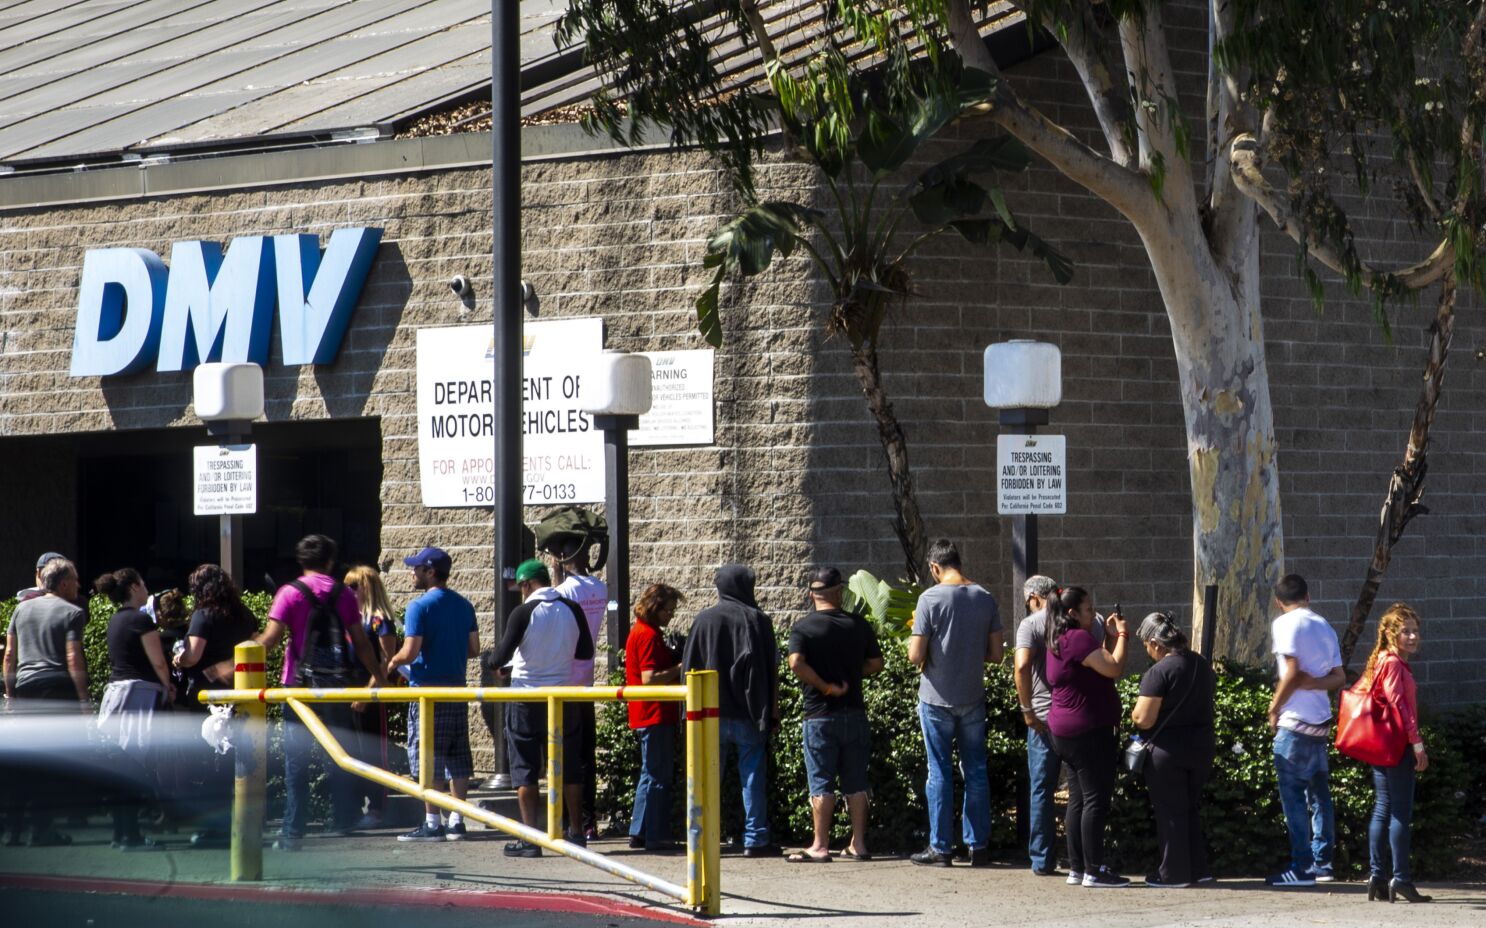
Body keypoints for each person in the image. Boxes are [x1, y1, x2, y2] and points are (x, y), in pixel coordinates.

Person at [257, 534, 386, 850]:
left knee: (295, 760)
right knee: (339, 755)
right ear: (330, 561)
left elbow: (270, 640)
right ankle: (344, 819)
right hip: (335, 685)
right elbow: (361, 640)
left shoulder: (289, 593)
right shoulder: (343, 594)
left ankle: (293, 830)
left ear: (302, 561)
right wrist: (378, 675)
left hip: (297, 686)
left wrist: (235, 662)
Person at [484, 558, 594, 858]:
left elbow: (498, 657)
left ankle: (531, 839)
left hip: (526, 700)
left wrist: (499, 664)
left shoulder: (523, 612)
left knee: (525, 768)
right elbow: (585, 652)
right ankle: (575, 833)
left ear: (526, 585)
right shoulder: (573, 608)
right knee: (570, 765)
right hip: (563, 697)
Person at [906, 539, 1003, 867]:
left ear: (935, 567)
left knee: (940, 771)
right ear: (958, 563)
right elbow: (997, 654)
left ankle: (941, 848)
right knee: (975, 770)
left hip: (935, 699)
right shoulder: (985, 598)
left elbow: (915, 655)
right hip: (972, 697)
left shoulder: (928, 599)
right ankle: (978, 846)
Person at [681, 564, 781, 858]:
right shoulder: (758, 620)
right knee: (752, 777)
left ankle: (701, 836)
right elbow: (769, 670)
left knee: (707, 779)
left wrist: (686, 712)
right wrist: (772, 710)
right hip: (748, 713)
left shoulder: (703, 620)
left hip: (708, 714)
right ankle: (755, 838)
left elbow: (688, 668)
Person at [785, 567, 883, 863]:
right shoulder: (859, 625)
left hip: (818, 715)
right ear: (840, 592)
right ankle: (859, 844)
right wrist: (853, 676)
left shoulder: (803, 628)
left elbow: (795, 663)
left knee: (821, 781)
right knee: (856, 781)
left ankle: (820, 845)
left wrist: (824, 686)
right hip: (854, 713)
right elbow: (876, 663)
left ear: (810, 594)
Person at [385, 547, 479, 842]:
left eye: (416, 568)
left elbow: (411, 651)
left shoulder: (418, 607)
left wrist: (393, 661)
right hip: (457, 688)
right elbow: (474, 650)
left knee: (428, 755)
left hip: (427, 691)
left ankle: (432, 823)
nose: (412, 573)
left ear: (429, 571)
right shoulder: (464, 605)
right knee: (457, 756)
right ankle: (457, 820)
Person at [1045, 586, 1128, 887]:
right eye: (1089, 609)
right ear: (1072, 613)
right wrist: (1122, 635)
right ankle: (1094, 869)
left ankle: (1077, 868)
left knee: (1077, 801)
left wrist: (1106, 638)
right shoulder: (1078, 638)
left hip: (1064, 731)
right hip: (1088, 731)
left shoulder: (1058, 639)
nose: (1094, 613)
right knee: (1095, 800)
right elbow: (1114, 666)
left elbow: (1095, 663)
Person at [2, 556, 87, 847]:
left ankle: (12, 828)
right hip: (57, 688)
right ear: (63, 583)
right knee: (50, 763)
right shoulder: (72, 612)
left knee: (25, 761)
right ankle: (42, 828)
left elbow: (9, 656)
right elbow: (73, 658)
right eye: (75, 580)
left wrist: (11, 695)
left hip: (25, 688)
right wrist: (84, 699)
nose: (78, 585)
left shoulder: (20, 610)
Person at [1265, 574, 1344, 887]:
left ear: (1278, 602)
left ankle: (1301, 867)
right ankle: (1322, 864)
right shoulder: (1324, 625)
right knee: (1319, 796)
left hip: (1294, 723)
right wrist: (1316, 684)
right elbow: (1338, 677)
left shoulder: (1285, 623)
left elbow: (1293, 671)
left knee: (1294, 798)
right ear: (1308, 596)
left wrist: (1273, 708)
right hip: (1320, 722)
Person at [173, 563, 258, 848]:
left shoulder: (203, 615)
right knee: (236, 760)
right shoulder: (244, 615)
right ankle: (242, 822)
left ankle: (214, 830)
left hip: (208, 699)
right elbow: (257, 644)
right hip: (239, 694)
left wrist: (178, 659)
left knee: (209, 762)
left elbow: (193, 655)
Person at [1014, 573, 1093, 876]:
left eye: (1027, 602)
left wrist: (1027, 710)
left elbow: (1021, 666)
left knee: (1042, 790)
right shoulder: (1087, 618)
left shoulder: (1032, 624)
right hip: (1078, 716)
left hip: (1044, 720)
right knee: (1082, 792)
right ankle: (1083, 861)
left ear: (1035, 597)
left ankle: (1042, 859)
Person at [1131, 612, 1216, 888]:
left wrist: (1132, 717)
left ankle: (1173, 874)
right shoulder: (1201, 665)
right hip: (1201, 748)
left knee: (1171, 814)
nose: (1147, 651)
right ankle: (1198, 869)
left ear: (1156, 643)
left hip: (1168, 752)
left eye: (1146, 645)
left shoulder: (1160, 672)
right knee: (1190, 809)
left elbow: (1143, 718)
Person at [94, 568, 175, 851]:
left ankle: (121, 834)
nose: (146, 590)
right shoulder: (141, 620)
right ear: (132, 587)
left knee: (120, 767)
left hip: (115, 696)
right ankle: (132, 837)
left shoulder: (115, 620)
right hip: (138, 696)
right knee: (134, 766)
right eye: (143, 584)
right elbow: (159, 663)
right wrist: (169, 686)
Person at [1360, 603, 1431, 904]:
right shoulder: (1391, 663)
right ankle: (1400, 878)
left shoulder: (1383, 660)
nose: (1413, 636)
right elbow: (1399, 705)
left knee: (1383, 807)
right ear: (1391, 634)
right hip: (1397, 745)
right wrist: (1417, 744)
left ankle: (1377, 877)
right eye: (1406, 631)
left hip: (1381, 745)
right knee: (1399, 811)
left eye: (1416, 631)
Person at [625, 583, 684, 852]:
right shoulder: (647, 635)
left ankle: (639, 831)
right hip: (654, 712)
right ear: (655, 607)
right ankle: (656, 835)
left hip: (647, 712)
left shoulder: (641, 631)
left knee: (649, 774)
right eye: (668, 610)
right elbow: (649, 678)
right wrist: (679, 667)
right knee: (658, 775)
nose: (670, 615)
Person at [553, 544, 607, 840]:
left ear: (562, 557)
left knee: (562, 755)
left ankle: (562, 820)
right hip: (586, 680)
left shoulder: (564, 591)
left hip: (563, 682)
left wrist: (555, 578)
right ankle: (588, 821)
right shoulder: (600, 588)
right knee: (586, 753)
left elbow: (555, 615)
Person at [344, 564, 400, 830]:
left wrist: (369, 691)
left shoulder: (379, 619)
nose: (348, 591)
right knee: (351, 751)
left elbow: (388, 660)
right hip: (346, 691)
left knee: (374, 751)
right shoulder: (350, 619)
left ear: (366, 587)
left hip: (371, 693)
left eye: (353, 586)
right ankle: (354, 806)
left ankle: (378, 808)